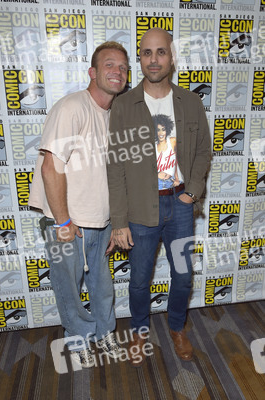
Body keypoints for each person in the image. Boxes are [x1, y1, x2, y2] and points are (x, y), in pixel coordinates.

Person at [107, 28, 211, 366]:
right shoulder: (123, 105)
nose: (154, 59)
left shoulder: (190, 101)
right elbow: (116, 167)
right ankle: (139, 331)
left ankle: (177, 327)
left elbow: (203, 153)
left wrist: (192, 192)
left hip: (180, 205)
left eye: (161, 52)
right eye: (147, 53)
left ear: (172, 57)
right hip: (139, 210)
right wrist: (119, 220)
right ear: (140, 58)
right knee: (139, 279)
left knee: (182, 275)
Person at [29, 41, 129, 368]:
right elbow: (50, 166)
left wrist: (115, 221)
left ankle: (103, 333)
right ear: (93, 72)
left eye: (123, 67)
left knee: (103, 288)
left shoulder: (115, 115)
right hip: (66, 222)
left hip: (99, 222)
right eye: (110, 65)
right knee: (69, 290)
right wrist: (62, 222)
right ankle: (79, 340)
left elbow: (108, 176)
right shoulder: (73, 107)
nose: (118, 71)